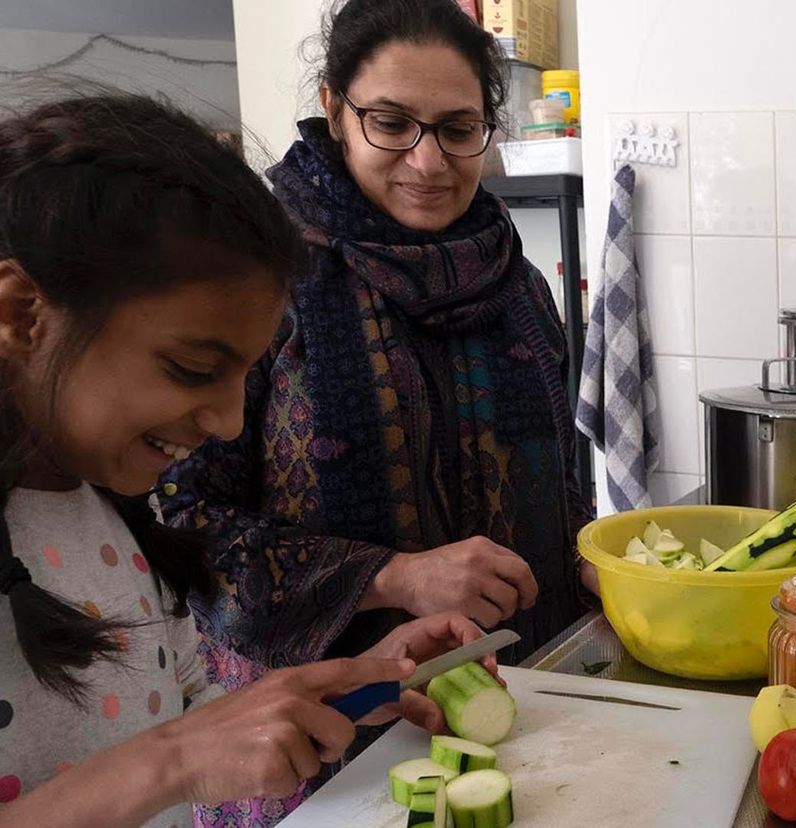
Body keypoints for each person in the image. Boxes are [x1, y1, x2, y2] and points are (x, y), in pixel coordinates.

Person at [0, 92, 493, 828]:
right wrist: (174, 759)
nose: (230, 422)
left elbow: (181, 712)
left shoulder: (111, 509)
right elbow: (169, 754)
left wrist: (335, 695)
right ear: (20, 315)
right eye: (193, 367)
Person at [162, 0, 595, 688]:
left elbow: (560, 483)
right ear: (335, 110)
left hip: (526, 682)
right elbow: (178, 526)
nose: (428, 162)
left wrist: (595, 557)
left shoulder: (519, 284)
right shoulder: (257, 278)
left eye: (459, 129)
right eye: (391, 123)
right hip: (328, 723)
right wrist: (392, 577)